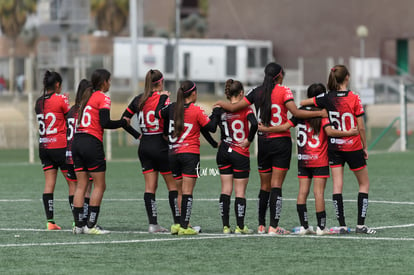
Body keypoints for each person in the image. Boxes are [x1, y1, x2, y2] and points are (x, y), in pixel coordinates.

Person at [215, 62, 326, 235]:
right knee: (276, 186)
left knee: (264, 186)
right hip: (280, 143)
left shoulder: (256, 92)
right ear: (279, 76)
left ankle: (261, 225)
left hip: (263, 143)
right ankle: (273, 226)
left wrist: (221, 103)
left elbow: (234, 107)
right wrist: (319, 113)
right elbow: (296, 113)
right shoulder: (284, 91)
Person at [260, 83, 358, 235]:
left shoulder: (299, 115)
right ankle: (321, 227)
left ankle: (304, 227)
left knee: (302, 192)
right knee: (318, 193)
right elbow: (330, 132)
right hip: (319, 158)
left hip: (303, 158)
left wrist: (266, 129)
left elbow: (285, 127)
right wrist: (348, 133)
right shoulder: (322, 113)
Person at [300, 65, 376, 234]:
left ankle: (341, 225)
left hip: (334, 147)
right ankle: (360, 225)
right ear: (347, 77)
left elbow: (303, 103)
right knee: (363, 184)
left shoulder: (327, 97)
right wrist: (364, 146)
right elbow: (361, 127)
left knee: (337, 186)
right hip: (353, 146)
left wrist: (321, 110)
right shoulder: (354, 97)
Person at [72, 69, 130, 235]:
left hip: (77, 141)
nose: (110, 84)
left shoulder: (86, 96)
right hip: (91, 142)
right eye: (109, 80)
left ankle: (78, 226)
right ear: (104, 82)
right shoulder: (103, 97)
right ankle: (91, 226)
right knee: (99, 185)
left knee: (81, 185)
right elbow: (104, 122)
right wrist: (123, 123)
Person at [155, 80, 217, 235]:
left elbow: (157, 113)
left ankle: (180, 224)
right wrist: (216, 113)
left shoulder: (172, 107)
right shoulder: (196, 110)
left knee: (180, 191)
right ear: (194, 93)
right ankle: (184, 227)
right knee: (188, 192)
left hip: (173, 154)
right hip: (190, 154)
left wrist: (162, 98)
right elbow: (212, 127)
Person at [122, 69, 180, 233]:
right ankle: (178, 222)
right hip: (160, 144)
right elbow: (168, 118)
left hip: (145, 144)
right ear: (160, 82)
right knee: (173, 186)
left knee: (150, 187)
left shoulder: (139, 99)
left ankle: (153, 224)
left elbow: (124, 120)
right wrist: (168, 136)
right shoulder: (163, 98)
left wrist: (137, 135)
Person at [211, 79, 258, 234]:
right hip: (239, 152)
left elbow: (210, 126)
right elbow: (255, 124)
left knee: (225, 189)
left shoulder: (220, 109)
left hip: (223, 151)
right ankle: (240, 226)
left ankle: (225, 226)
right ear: (241, 93)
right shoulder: (246, 108)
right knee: (240, 192)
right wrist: (249, 140)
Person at [35, 70, 75, 230]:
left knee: (49, 183)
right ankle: (76, 220)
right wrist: (66, 100)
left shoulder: (38, 102)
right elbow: (71, 116)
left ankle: (50, 222)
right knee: (73, 183)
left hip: (44, 145)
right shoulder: (60, 99)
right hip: (60, 146)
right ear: (57, 85)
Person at [66, 79, 93, 223]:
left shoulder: (71, 110)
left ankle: (76, 220)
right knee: (86, 188)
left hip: (69, 154)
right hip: (81, 154)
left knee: (74, 188)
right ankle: (86, 221)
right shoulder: (86, 110)